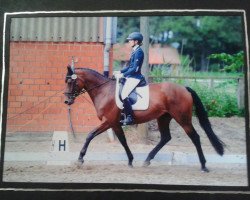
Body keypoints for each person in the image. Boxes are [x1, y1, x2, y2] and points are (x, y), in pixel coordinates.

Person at [114, 32, 145, 125]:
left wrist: (123, 75)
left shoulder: (139, 52)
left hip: (135, 77)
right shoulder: (134, 51)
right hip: (131, 76)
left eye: (131, 40)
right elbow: (129, 67)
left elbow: (135, 69)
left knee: (124, 94)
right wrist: (120, 72)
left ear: (136, 41)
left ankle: (130, 117)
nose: (129, 42)